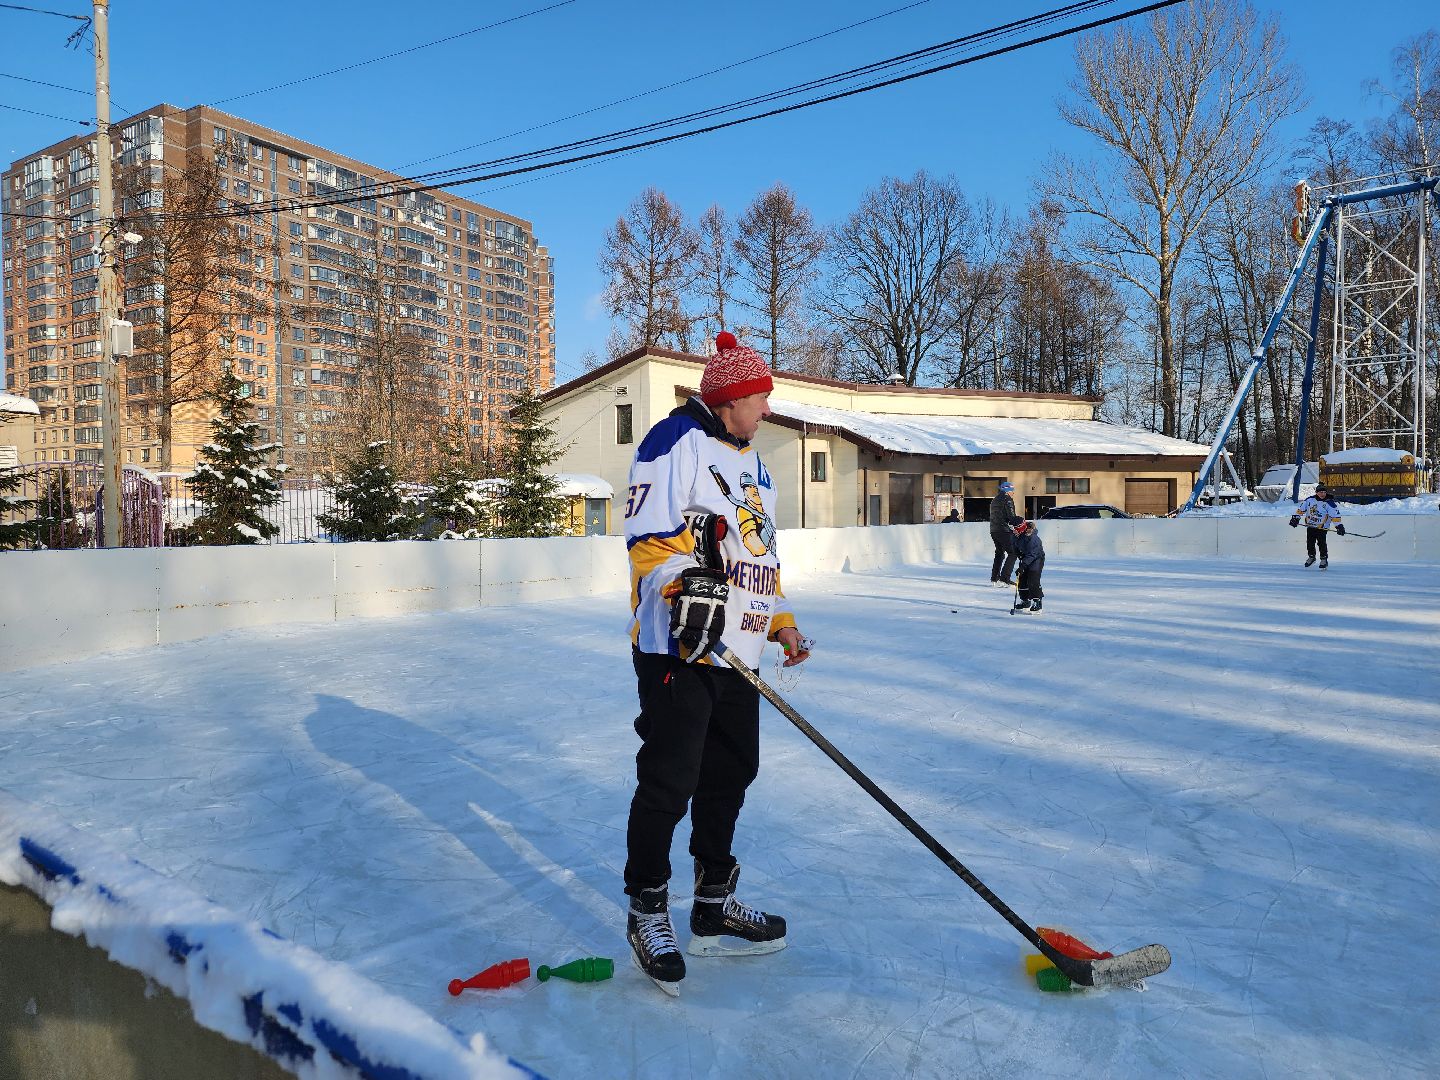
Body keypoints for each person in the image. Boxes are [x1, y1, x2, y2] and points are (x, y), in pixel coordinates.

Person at [621, 330, 811, 994]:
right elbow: (647, 539)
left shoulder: (755, 466)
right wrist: (682, 585)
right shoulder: (674, 441)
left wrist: (781, 621)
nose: (765, 409)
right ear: (729, 398)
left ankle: (710, 905)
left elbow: (760, 559)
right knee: (671, 776)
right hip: (680, 641)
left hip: (740, 646)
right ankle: (647, 906)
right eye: (758, 397)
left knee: (733, 768)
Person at [1289, 482, 1344, 569]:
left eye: (1324, 492)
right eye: (1320, 492)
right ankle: (1311, 557)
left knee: (1321, 543)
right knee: (1310, 542)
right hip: (1310, 526)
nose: (1323, 494)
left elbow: (1335, 516)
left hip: (1322, 527)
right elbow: (1301, 510)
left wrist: (1339, 526)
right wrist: (1295, 518)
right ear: (1316, 492)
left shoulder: (1330, 504)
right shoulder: (1309, 500)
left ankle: (1323, 559)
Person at [1010, 518, 1046, 614]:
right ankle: (1025, 601)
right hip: (1026, 558)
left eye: (1014, 528)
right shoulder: (1015, 535)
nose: (1013, 530)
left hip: (1036, 559)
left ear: (1020, 527)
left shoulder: (1032, 538)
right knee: (1021, 579)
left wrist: (1022, 566)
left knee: (1032, 580)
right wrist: (1019, 555)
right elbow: (1014, 546)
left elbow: (1032, 554)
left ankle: (1037, 602)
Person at [989, 480, 1020, 586]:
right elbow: (1012, 517)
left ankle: (995, 578)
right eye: (1012, 490)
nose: (1013, 493)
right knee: (1013, 553)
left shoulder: (995, 500)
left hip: (994, 530)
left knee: (999, 553)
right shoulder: (1008, 499)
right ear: (1007, 490)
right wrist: (1020, 523)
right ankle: (1005, 578)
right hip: (1004, 530)